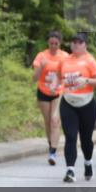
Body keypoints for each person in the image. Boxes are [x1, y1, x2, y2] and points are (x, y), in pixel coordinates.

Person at [58, 32, 96, 183]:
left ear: (85, 45)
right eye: (74, 42)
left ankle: (88, 162)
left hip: (86, 104)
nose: (76, 44)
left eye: (80, 42)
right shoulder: (65, 60)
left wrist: (87, 80)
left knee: (86, 140)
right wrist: (55, 86)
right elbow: (59, 79)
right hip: (68, 102)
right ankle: (70, 170)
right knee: (70, 137)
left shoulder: (90, 61)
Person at [32, 30, 67, 165]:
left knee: (55, 120)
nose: (53, 46)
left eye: (56, 43)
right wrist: (41, 67)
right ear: (48, 42)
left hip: (58, 92)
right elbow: (34, 78)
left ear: (60, 43)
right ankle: (50, 143)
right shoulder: (41, 56)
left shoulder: (65, 56)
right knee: (47, 121)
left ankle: (53, 152)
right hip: (43, 91)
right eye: (51, 43)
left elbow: (68, 75)